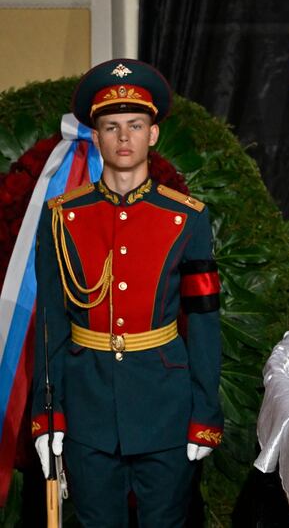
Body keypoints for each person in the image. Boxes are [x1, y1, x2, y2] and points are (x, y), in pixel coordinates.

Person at [30, 59, 223, 527]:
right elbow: (51, 321)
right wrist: (46, 416)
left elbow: (202, 322)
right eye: (110, 126)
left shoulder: (187, 219)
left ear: (152, 135)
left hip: (166, 406)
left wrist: (205, 414)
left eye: (135, 125)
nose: (123, 137)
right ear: (94, 137)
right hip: (87, 404)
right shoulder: (61, 217)